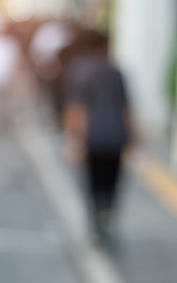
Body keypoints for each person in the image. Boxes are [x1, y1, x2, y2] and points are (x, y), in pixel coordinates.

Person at [63, 31, 136, 242]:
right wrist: (134, 137)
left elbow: (76, 109)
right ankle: (107, 216)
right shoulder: (116, 72)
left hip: (92, 137)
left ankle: (95, 221)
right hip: (115, 135)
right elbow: (126, 109)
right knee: (112, 180)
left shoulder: (78, 71)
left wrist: (74, 139)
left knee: (92, 181)